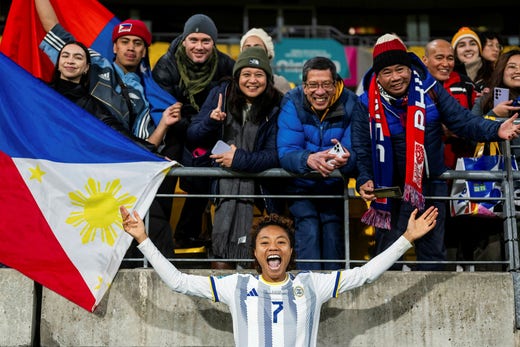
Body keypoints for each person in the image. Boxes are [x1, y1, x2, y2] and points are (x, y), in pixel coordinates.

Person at [120, 204, 438, 347]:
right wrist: (143, 240)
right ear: (256, 254)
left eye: (281, 242)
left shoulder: (311, 284)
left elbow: (365, 274)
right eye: (265, 243)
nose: (274, 247)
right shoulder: (238, 285)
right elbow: (178, 282)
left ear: (289, 252)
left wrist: (406, 239)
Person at [352, 33, 520, 271]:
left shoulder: (430, 90)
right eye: (387, 72)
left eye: (400, 69)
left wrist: (496, 129)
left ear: (410, 66)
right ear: (377, 76)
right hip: (389, 190)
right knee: (387, 256)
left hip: (430, 187)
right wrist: (364, 177)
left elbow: (462, 121)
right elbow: (361, 146)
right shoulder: (365, 102)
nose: (396, 77)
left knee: (433, 257)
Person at [35, 0, 182, 261]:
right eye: (125, 42)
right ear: (114, 46)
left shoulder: (145, 98)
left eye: (138, 43)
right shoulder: (90, 62)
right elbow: (51, 27)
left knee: (146, 220)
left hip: (114, 168)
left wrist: (162, 125)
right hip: (78, 159)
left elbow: (145, 142)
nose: (131, 48)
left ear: (145, 51)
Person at [187, 47, 283, 269]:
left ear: (268, 79)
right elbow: (192, 136)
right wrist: (210, 122)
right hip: (219, 193)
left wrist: (238, 159)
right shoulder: (221, 94)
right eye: (246, 74)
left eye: (258, 75)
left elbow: (276, 155)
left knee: (257, 259)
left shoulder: (278, 105)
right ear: (237, 76)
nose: (252, 80)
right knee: (220, 261)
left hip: (261, 197)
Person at [152, 14, 235, 249]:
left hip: (210, 130)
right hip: (176, 130)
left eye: (206, 41)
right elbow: (164, 109)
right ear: (185, 40)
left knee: (205, 174)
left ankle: (187, 233)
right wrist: (195, 128)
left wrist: (205, 127)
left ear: (214, 42)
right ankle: (159, 242)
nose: (199, 46)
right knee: (166, 179)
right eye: (194, 39)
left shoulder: (226, 65)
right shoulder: (166, 65)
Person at [277, 56, 361, 270]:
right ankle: (308, 294)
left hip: (334, 188)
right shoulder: (292, 101)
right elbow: (286, 153)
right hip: (301, 187)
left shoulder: (351, 102)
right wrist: (309, 159)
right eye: (313, 85)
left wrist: (346, 159)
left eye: (326, 84)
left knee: (333, 236)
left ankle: (334, 296)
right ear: (304, 87)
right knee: (309, 232)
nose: (320, 91)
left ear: (335, 84)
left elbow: (356, 151)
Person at [240, 28, 291, 94]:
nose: (252, 51)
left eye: (257, 47)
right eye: (247, 47)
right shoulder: (233, 85)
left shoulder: (280, 84)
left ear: (268, 53)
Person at [451, 26, 494, 95]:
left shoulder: (494, 74)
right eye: (462, 45)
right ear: (455, 53)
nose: (468, 49)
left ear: (479, 49)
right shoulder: (448, 77)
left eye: (472, 44)